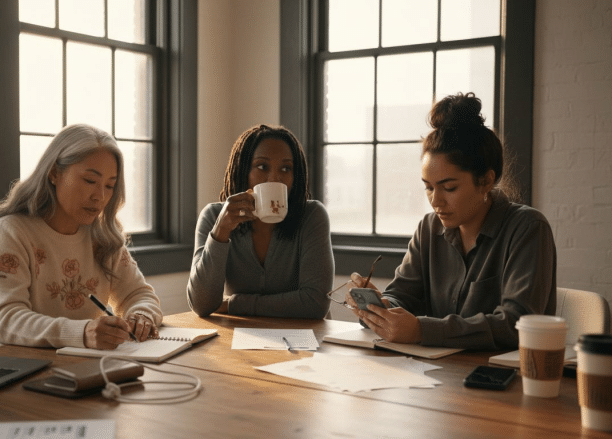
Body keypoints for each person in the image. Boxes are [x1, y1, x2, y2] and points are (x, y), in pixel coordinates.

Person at [347, 92, 556, 350]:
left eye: (449, 188)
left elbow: (516, 324)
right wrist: (382, 308)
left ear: (486, 181)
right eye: (429, 188)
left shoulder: (527, 228)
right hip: (436, 377)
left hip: (501, 378)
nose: (436, 201)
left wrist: (421, 330)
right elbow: (402, 295)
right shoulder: (429, 228)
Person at [0, 124, 162, 350]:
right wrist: (82, 333)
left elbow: (139, 294)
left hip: (88, 368)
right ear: (54, 173)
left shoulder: (102, 235)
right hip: (21, 369)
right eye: (89, 181)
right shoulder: (11, 231)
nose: (100, 196)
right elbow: (6, 320)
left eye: (110, 185)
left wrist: (141, 316)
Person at [187, 124, 334, 318]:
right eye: (262, 166)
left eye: (285, 168)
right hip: (238, 339)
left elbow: (315, 304)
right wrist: (221, 232)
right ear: (242, 171)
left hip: (304, 340)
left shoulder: (312, 216)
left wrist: (233, 303)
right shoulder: (215, 216)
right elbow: (201, 304)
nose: (275, 178)